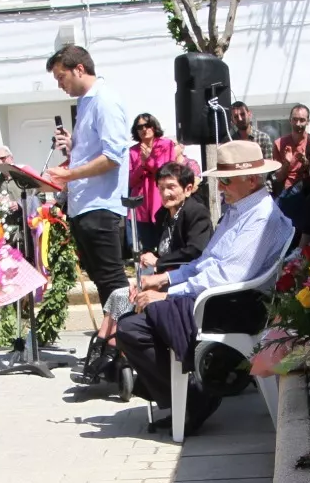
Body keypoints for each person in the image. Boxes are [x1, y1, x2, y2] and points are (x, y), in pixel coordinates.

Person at [115, 139, 293, 435]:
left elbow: (226, 276)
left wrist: (167, 294)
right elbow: (205, 262)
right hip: (217, 298)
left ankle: (195, 397)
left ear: (251, 180)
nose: (220, 187)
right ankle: (192, 397)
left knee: (132, 327)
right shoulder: (240, 209)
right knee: (130, 325)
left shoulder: (261, 216)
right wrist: (166, 279)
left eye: (226, 180)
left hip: (233, 305)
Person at [81, 160, 212, 383]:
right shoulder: (165, 215)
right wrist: (150, 260)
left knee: (128, 298)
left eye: (171, 187)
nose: (165, 193)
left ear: (188, 188)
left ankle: (110, 351)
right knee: (119, 294)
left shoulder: (195, 212)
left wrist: (159, 262)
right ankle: (104, 345)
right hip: (163, 277)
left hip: (183, 279)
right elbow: (162, 248)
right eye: (161, 188)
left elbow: (195, 251)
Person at [44, 44, 129, 310]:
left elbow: (113, 157)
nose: (60, 85)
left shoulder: (105, 100)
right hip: (84, 204)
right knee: (100, 278)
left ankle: (125, 332)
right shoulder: (85, 103)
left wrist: (69, 174)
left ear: (79, 69)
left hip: (100, 204)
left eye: (61, 77)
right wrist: (73, 146)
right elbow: (92, 152)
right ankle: (112, 330)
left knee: (112, 279)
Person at [127, 113, 185, 253]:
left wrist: (149, 160)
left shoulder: (165, 145)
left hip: (161, 201)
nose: (144, 129)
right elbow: (131, 181)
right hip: (141, 206)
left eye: (147, 125)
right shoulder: (133, 151)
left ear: (154, 126)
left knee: (165, 245)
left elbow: (166, 173)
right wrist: (142, 165)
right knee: (145, 249)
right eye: (139, 127)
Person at [272, 104, 310, 229]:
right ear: (290, 120)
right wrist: (287, 163)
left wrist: (307, 163)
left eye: (302, 120)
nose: (298, 124)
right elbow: (278, 177)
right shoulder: (279, 144)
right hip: (289, 194)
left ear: (308, 121)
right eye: (295, 119)